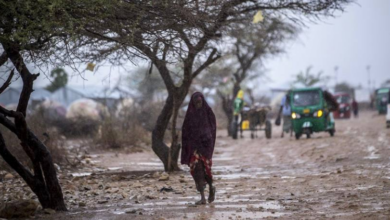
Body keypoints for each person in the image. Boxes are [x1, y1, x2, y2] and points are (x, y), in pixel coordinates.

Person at [181, 92, 217, 205]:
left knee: (206, 169)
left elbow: (213, 128)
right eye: (196, 102)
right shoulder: (190, 114)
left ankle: (211, 187)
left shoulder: (208, 112)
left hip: (205, 146)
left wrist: (208, 139)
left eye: (200, 102)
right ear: (193, 103)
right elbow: (185, 131)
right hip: (193, 147)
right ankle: (202, 197)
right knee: (197, 170)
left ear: (203, 101)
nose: (198, 104)